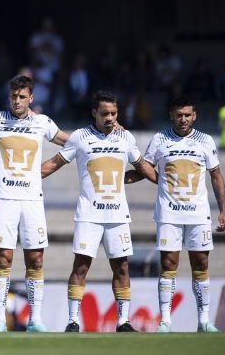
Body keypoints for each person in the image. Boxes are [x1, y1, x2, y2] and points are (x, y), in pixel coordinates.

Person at [41, 91, 155, 333]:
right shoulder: (80, 137)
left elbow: (143, 166)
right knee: (80, 266)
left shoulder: (125, 137)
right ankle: (73, 321)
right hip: (89, 216)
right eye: (105, 113)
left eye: (114, 113)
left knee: (122, 267)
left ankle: (123, 321)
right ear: (94, 113)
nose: (110, 117)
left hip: (117, 216)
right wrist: (27, 176)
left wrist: (166, 181)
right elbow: (54, 163)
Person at [0, 75, 69, 333]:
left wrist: (104, 134)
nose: (17, 100)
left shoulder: (42, 122)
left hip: (32, 201)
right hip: (4, 201)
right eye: (13, 96)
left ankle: (35, 319)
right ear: (8, 96)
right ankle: (0, 320)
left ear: (31, 98)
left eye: (22, 96)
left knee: (36, 259)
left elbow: (69, 141)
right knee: (3, 259)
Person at [128, 96, 225, 333]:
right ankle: (165, 321)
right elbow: (145, 169)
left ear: (194, 116)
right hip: (169, 213)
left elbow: (216, 176)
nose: (183, 119)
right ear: (171, 115)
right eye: (179, 115)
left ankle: (204, 321)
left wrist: (223, 210)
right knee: (168, 264)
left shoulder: (205, 141)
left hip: (198, 214)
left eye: (187, 115)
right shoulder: (160, 139)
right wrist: (123, 178)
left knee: (201, 263)